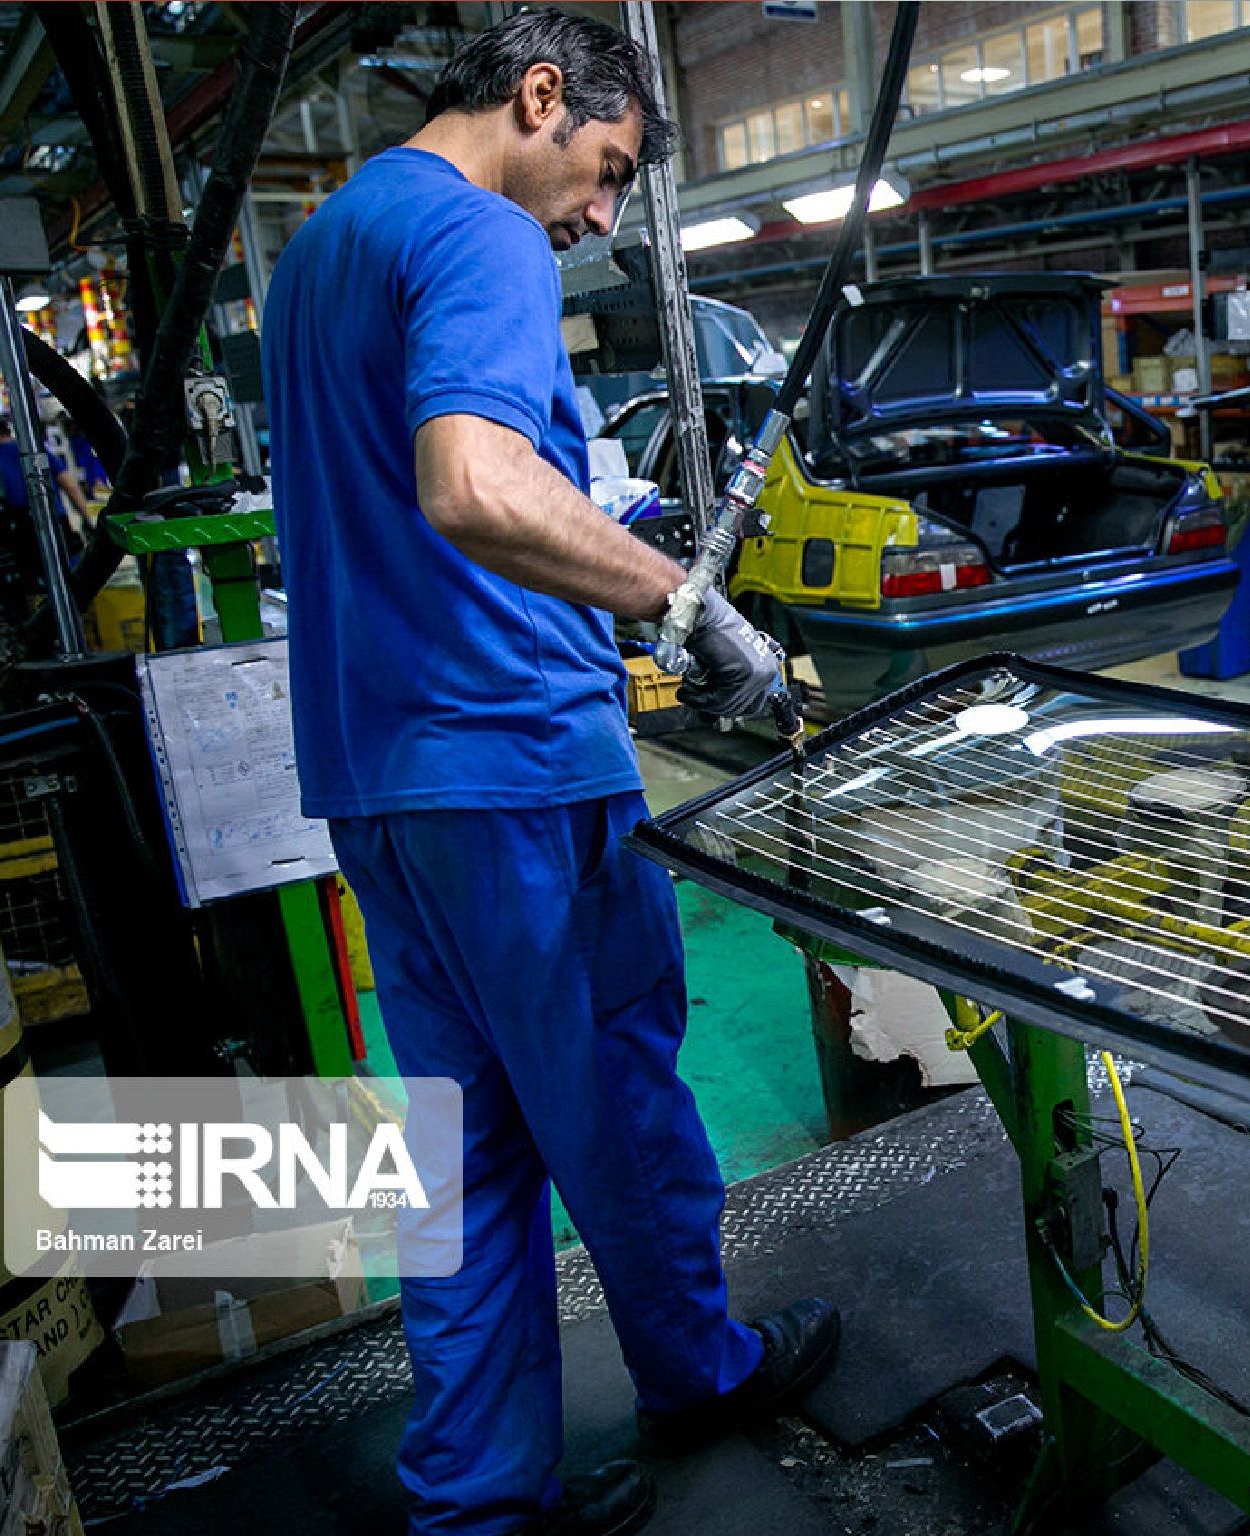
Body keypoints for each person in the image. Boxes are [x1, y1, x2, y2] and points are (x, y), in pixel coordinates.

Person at [262, 13, 837, 1536]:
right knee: (622, 1100)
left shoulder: (322, 245)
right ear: (536, 99)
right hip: (511, 761)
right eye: (606, 170)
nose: (596, 216)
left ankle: (477, 1498)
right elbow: (473, 481)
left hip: (374, 774)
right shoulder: (484, 236)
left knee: (464, 1164)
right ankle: (701, 1370)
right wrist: (678, 600)